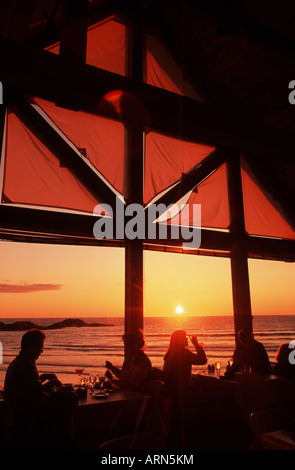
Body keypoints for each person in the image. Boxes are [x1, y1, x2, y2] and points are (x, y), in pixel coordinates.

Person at [4, 329, 65, 448]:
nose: (42, 351)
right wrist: (53, 383)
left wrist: (42, 377)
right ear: (33, 347)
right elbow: (38, 393)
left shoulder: (19, 362)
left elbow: (28, 386)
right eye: (41, 347)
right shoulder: (26, 365)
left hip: (15, 415)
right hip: (25, 419)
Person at [163, 330, 207, 396]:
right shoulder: (183, 353)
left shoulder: (169, 354)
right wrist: (196, 345)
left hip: (173, 389)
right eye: (185, 337)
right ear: (180, 340)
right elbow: (202, 360)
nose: (187, 338)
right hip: (184, 390)